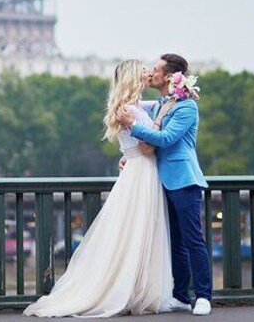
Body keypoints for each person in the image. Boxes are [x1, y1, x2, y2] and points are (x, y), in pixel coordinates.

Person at [23, 59, 172, 317]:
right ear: (134, 77)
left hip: (136, 171)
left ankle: (131, 288)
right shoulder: (132, 111)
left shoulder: (130, 107)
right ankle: (138, 290)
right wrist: (156, 129)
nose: (149, 74)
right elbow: (148, 147)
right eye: (144, 71)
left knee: (131, 231)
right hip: (142, 172)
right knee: (141, 230)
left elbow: (156, 110)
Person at [117, 53, 212, 316]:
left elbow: (166, 137)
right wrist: (128, 156)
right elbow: (132, 105)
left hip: (183, 180)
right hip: (160, 182)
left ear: (169, 76)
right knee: (176, 242)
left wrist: (133, 127)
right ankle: (181, 295)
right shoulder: (162, 104)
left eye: (156, 69)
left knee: (193, 240)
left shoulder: (186, 107)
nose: (152, 72)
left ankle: (203, 296)